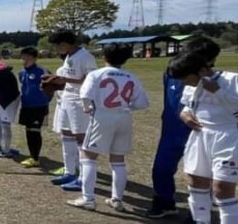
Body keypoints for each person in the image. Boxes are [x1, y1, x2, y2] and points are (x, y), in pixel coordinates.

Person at [168, 51, 238, 224]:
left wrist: (218, 92)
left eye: (186, 78)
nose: (184, 83)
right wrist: (185, 116)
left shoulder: (231, 79)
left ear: (201, 70)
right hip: (200, 135)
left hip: (227, 136)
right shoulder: (192, 85)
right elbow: (186, 107)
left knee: (222, 189)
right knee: (195, 180)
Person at [67, 44, 150, 212]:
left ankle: (88, 198)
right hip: (124, 117)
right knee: (118, 160)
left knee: (88, 156)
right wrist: (126, 108)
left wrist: (87, 107)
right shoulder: (130, 76)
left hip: (102, 115)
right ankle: (117, 199)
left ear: (104, 57)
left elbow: (85, 94)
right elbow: (142, 102)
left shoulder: (96, 74)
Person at [145, 37, 221, 220]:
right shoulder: (172, 72)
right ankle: (164, 202)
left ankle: (198, 214)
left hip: (199, 130)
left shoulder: (216, 80)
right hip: (172, 128)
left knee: (200, 174)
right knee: (161, 168)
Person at [45, 30, 98, 191]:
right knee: (65, 134)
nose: (56, 49)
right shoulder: (69, 56)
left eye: (57, 46)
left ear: (65, 44)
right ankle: (69, 172)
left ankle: (83, 178)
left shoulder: (85, 56)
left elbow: (91, 80)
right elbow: (67, 77)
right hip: (67, 99)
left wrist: (65, 79)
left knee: (80, 138)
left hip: (79, 100)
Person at [17, 47, 50, 169]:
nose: (25, 60)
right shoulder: (21, 72)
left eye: (28, 58)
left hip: (39, 107)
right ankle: (32, 156)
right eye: (23, 57)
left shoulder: (41, 71)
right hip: (26, 106)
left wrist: (45, 100)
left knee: (35, 132)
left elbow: (52, 86)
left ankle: (35, 158)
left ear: (34, 58)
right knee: (29, 132)